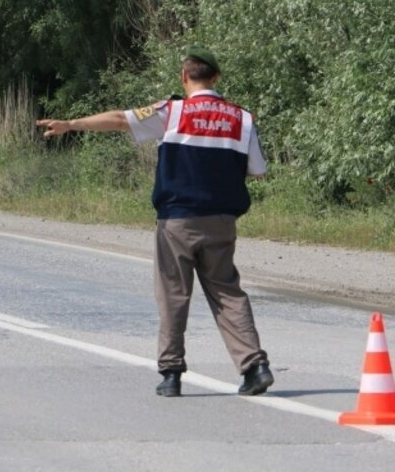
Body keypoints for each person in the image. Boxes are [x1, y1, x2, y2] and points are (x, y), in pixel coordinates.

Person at [36, 46, 274, 397]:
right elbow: (258, 171)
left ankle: (172, 373)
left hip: (177, 220)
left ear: (184, 76)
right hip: (222, 221)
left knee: (174, 294)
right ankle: (255, 367)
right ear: (217, 77)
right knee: (227, 291)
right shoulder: (242, 118)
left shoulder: (173, 110)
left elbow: (120, 119)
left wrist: (71, 125)